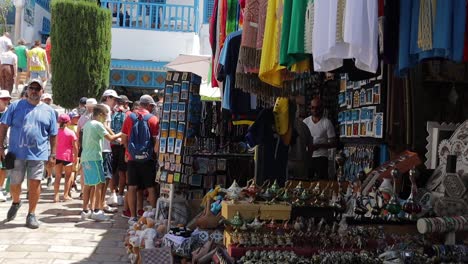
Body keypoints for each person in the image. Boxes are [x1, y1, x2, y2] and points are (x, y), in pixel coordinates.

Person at [0, 79, 58, 229]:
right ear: (27, 90)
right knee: (14, 184)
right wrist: (0, 147)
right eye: (31, 88)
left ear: (42, 92)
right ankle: (16, 201)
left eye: (37, 89)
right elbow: (4, 126)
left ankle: (31, 214)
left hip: (38, 154)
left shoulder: (49, 111)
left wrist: (53, 154)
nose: (33, 91)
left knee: (35, 183)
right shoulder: (15, 107)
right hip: (16, 153)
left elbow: (53, 134)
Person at [121, 94, 159, 225]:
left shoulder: (129, 117)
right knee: (150, 187)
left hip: (132, 159)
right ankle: (153, 214)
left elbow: (124, 139)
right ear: (149, 106)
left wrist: (129, 151)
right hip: (148, 159)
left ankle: (133, 216)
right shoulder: (153, 119)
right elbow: (155, 142)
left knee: (132, 187)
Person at [80, 104, 121, 222]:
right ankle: (97, 210)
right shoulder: (98, 125)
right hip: (94, 157)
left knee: (88, 185)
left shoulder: (87, 124)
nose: (106, 118)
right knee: (100, 183)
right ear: (101, 115)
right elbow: (111, 138)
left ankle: (85, 210)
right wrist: (122, 132)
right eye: (106, 116)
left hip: (86, 157)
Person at [303, 98, 336, 180]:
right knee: (307, 181)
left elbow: (333, 143)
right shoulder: (305, 122)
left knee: (322, 182)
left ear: (322, 108)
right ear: (310, 108)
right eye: (312, 107)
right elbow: (301, 140)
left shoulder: (327, 122)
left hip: (322, 157)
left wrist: (319, 146)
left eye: (317, 107)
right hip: (307, 157)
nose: (315, 110)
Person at [111, 95, 131, 207]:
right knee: (123, 171)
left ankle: (113, 193)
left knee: (113, 171)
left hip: (113, 144)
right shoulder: (128, 114)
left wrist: (114, 138)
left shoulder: (112, 113)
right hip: (123, 146)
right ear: (126, 103)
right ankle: (120, 195)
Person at [100, 89, 119, 212]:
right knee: (105, 178)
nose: (115, 102)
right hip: (104, 148)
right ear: (107, 98)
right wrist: (116, 137)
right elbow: (105, 127)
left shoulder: (98, 108)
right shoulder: (106, 109)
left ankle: (98, 204)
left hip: (99, 147)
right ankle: (101, 204)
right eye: (114, 99)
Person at [53, 114, 78, 202]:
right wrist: (76, 156)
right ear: (68, 122)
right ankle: (65, 195)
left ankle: (56, 196)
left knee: (58, 176)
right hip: (68, 156)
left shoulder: (55, 132)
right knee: (68, 176)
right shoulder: (71, 133)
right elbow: (75, 146)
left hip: (58, 156)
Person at [0, 90, 11, 202]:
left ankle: (1, 188)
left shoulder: (10, 112)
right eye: (4, 99)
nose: (6, 101)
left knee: (3, 168)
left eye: (8, 99)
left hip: (6, 144)